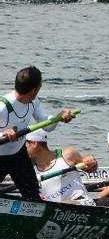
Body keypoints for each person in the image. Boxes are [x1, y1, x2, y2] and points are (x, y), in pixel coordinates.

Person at [0, 66, 76, 200]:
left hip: (19, 154)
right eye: (40, 86)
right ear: (34, 89)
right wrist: (2, 134)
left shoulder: (33, 102)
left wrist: (59, 117)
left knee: (33, 196)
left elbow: (48, 127)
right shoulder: (3, 106)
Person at [25, 129, 98, 205]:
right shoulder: (28, 169)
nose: (22, 150)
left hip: (82, 203)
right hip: (55, 209)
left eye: (25, 145)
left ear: (34, 144)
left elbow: (91, 169)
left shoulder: (67, 155)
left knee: (64, 203)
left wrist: (92, 163)